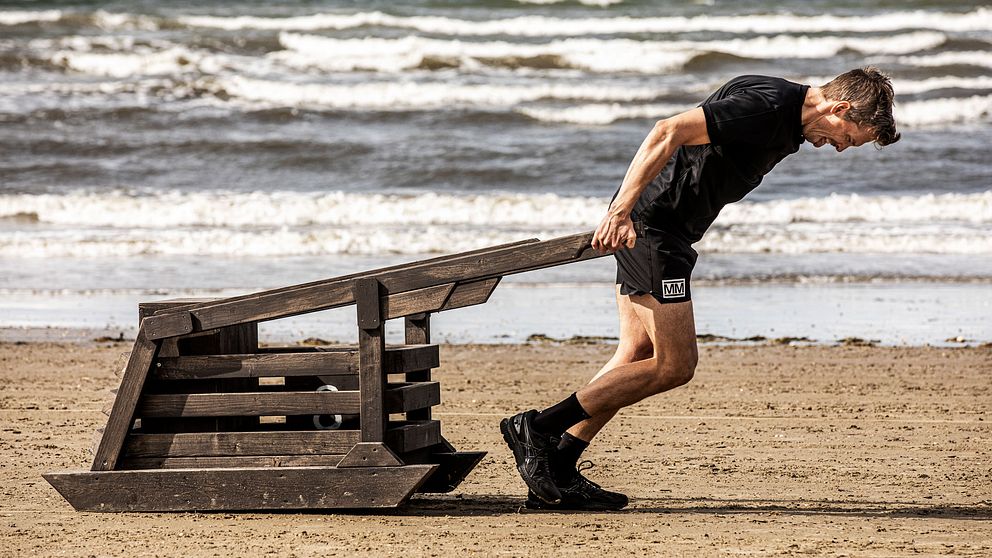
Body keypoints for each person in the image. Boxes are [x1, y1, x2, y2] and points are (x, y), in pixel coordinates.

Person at [500, 67, 900, 511]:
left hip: (660, 230)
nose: (841, 148)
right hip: (654, 231)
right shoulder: (768, 109)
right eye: (849, 137)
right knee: (675, 365)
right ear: (839, 108)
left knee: (634, 355)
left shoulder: (781, 103)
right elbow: (667, 130)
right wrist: (620, 212)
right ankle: (537, 428)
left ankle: (555, 465)